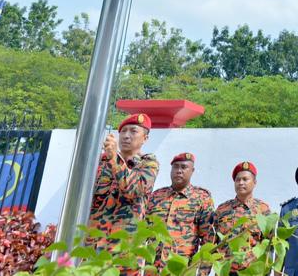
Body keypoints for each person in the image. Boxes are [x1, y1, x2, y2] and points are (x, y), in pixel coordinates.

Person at [89, 113, 159, 242]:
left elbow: (133, 189)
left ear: (145, 138)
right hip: (92, 241)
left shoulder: (148, 163)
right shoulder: (101, 162)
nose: (126, 136)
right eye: (123, 131)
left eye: (133, 131)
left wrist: (115, 159)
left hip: (124, 246)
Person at [146, 152, 214, 264]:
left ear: (192, 171)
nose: (179, 170)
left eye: (184, 167)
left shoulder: (202, 198)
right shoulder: (156, 196)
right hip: (153, 268)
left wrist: (202, 272)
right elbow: (144, 232)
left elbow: (208, 239)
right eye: (175, 167)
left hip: (181, 268)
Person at [210, 161, 272, 274]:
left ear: (254, 182)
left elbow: (268, 245)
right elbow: (212, 242)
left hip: (252, 272)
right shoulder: (222, 209)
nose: (240, 183)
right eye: (237, 180)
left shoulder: (263, 210)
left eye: (245, 179)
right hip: (226, 271)